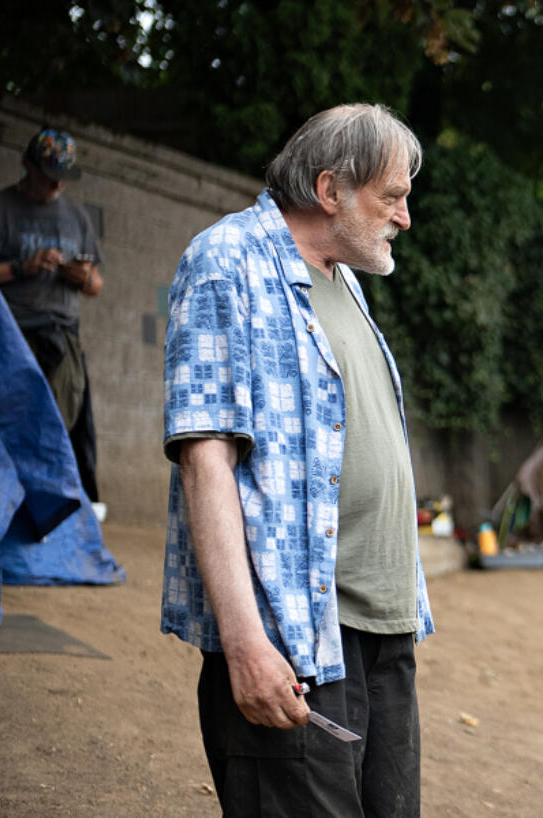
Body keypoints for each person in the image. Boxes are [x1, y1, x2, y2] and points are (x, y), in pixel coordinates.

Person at [161, 103, 434, 818]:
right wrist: (246, 643)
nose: (405, 218)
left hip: (382, 630)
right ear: (329, 189)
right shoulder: (229, 262)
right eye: (393, 197)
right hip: (297, 635)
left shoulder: (344, 278)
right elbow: (205, 459)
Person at [0, 128, 104, 502]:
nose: (56, 183)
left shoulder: (77, 217)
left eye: (63, 175)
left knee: (58, 426)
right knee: (4, 423)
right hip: (7, 332)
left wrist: (83, 277)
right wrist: (20, 268)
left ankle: (44, 509)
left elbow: (97, 284)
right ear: (28, 164)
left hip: (61, 337)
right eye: (49, 174)